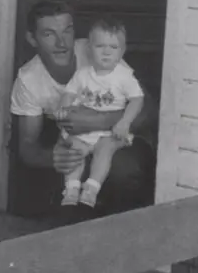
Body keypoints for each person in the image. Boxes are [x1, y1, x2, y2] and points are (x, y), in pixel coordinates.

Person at [9, 0, 158, 224]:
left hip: (115, 139)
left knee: (124, 170)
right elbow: (27, 147)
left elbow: (149, 110)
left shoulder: (95, 52)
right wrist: (54, 158)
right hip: (73, 142)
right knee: (46, 189)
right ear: (32, 39)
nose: (62, 43)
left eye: (67, 31)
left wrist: (96, 121)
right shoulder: (29, 79)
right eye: (49, 34)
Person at [53, 16, 144, 207]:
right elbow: (69, 92)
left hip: (110, 131)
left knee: (105, 149)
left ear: (122, 51)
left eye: (113, 47)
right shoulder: (83, 74)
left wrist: (125, 121)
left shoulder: (124, 76)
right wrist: (64, 108)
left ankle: (91, 188)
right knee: (74, 149)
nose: (106, 52)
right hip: (85, 129)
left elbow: (137, 99)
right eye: (100, 46)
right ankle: (71, 189)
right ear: (89, 49)